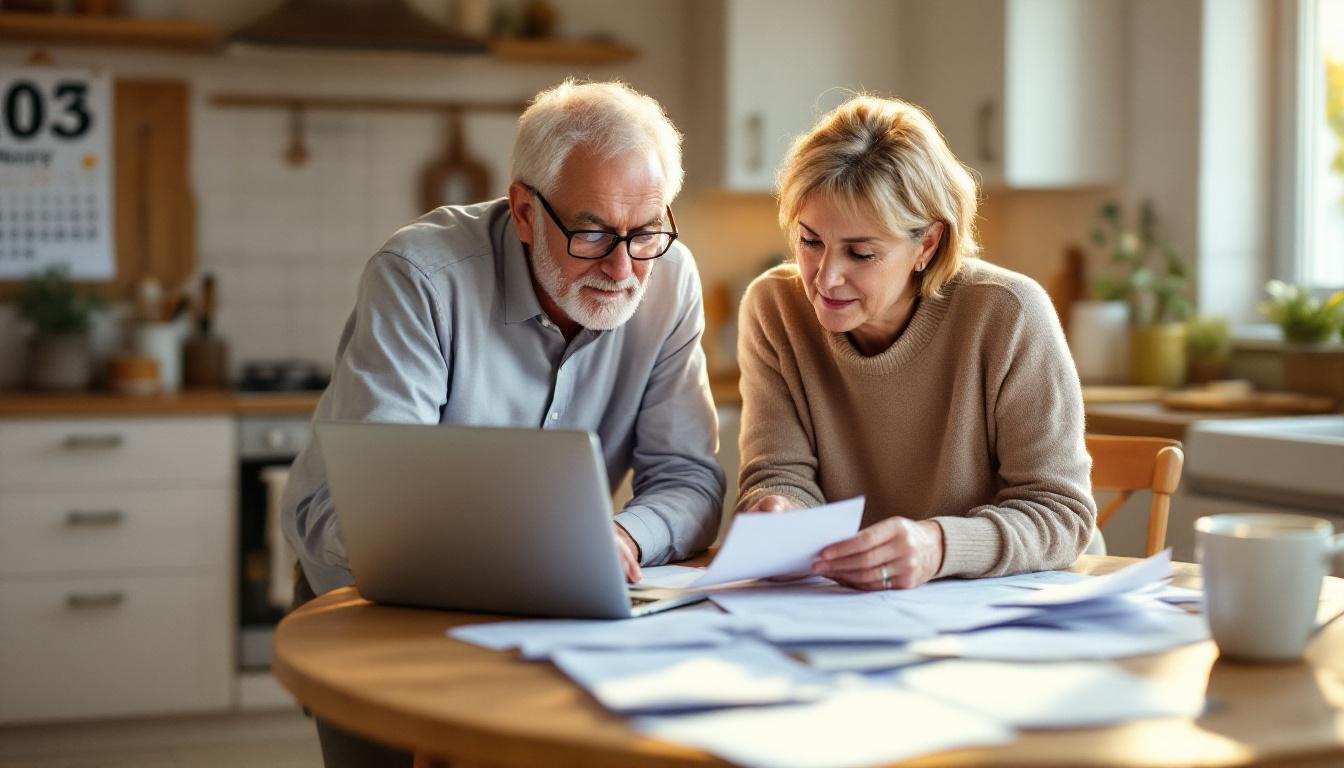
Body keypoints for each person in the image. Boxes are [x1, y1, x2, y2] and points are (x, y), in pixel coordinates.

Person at [280, 79, 725, 767]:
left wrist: (618, 537)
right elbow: (372, 518)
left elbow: (690, 478)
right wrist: (549, 550)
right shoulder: (422, 277)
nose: (622, 267)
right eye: (592, 232)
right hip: (375, 605)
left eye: (645, 233)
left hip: (549, 618)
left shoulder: (670, 278)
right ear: (523, 211)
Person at [736, 95, 1095, 591]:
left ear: (927, 244)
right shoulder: (774, 307)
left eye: (861, 253)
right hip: (854, 606)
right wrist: (778, 508)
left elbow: (1061, 514)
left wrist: (938, 546)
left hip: (1016, 602)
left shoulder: (1007, 313)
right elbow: (780, 474)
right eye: (810, 241)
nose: (825, 277)